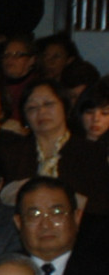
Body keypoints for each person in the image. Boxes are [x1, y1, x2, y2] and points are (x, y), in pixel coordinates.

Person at [22, 80, 109, 209]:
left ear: (65, 107)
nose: (41, 112)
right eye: (33, 107)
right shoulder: (13, 153)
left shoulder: (93, 153)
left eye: (48, 104)